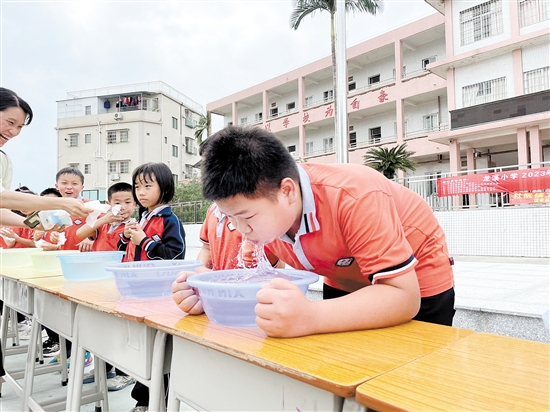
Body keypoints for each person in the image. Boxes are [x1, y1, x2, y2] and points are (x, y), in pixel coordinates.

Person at [173, 126, 455, 338]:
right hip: (342, 275)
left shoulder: (354, 194)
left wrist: (310, 316)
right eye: (230, 218)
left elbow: (404, 298)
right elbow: (255, 279)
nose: (241, 230)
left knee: (409, 382)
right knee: (343, 369)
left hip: (415, 278)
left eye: (245, 217)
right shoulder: (262, 221)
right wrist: (208, 291)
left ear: (287, 191)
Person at [0, 87, 92, 378]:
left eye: (19, 127)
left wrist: (35, 223)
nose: (13, 132)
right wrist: (55, 203)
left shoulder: (3, 160)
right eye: (9, 122)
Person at [118, 162, 185, 412]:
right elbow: (123, 251)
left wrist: (144, 241)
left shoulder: (170, 220)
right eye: (137, 187)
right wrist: (126, 237)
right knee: (143, 351)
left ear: (164, 187)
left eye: (147, 186)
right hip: (138, 293)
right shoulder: (143, 218)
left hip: (160, 296)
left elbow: (175, 256)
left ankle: (153, 402)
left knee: (160, 354)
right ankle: (145, 399)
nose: (141, 192)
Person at [76, 182, 137, 391]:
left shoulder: (133, 226)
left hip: (121, 284)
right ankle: (104, 366)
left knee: (120, 330)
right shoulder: (102, 223)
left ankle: (125, 372)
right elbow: (80, 234)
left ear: (135, 204)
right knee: (101, 328)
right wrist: (103, 219)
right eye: (117, 202)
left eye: (128, 202)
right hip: (99, 282)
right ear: (108, 203)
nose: (123, 206)